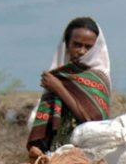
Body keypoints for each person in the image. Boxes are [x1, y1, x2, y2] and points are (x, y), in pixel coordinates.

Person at [27, 17, 111, 156]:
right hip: (55, 150)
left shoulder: (98, 78)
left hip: (86, 151)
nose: (82, 51)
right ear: (67, 45)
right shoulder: (59, 75)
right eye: (77, 45)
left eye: (88, 47)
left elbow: (93, 122)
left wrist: (59, 89)